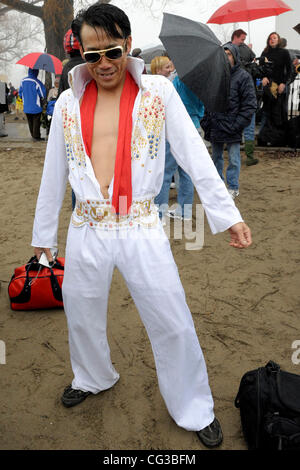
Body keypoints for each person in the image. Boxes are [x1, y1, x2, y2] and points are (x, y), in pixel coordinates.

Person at [31, 3, 252, 448]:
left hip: (140, 223)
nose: (104, 64)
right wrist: (43, 238)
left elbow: (192, 153)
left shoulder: (158, 92)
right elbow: (53, 170)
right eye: (92, 55)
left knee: (170, 315)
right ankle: (93, 376)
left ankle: (193, 404)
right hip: (87, 224)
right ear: (81, 53)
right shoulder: (69, 102)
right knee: (81, 309)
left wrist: (227, 215)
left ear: (127, 44)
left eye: (111, 51)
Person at [201, 43, 257, 199]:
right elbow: (207, 100)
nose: (226, 57)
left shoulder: (243, 76)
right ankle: (218, 187)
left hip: (233, 126)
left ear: (235, 56)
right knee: (216, 158)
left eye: (229, 54)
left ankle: (233, 186)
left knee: (233, 159)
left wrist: (237, 124)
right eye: (223, 54)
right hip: (216, 125)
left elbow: (249, 104)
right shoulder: (215, 76)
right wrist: (206, 121)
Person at [155, 75, 205, 221]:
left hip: (176, 127)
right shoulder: (202, 82)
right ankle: (185, 212)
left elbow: (168, 102)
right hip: (194, 126)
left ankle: (159, 214)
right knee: (186, 171)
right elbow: (201, 106)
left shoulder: (177, 80)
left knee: (165, 172)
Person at [228, 29, 258, 166]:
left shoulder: (241, 49)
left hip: (242, 95)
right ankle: (249, 155)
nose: (243, 42)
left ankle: (249, 155)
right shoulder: (233, 49)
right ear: (235, 37)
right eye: (242, 39)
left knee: (247, 125)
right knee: (247, 125)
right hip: (239, 95)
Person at [258, 32, 292, 144]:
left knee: (279, 113)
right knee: (266, 112)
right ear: (268, 40)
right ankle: (263, 138)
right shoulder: (265, 52)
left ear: (278, 40)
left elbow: (290, 71)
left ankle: (280, 139)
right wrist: (263, 77)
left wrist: (284, 83)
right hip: (268, 87)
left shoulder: (284, 52)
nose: (272, 40)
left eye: (275, 38)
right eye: (270, 38)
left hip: (280, 87)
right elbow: (260, 69)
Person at [19, 68, 46, 141]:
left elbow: (20, 93)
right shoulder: (37, 82)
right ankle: (36, 136)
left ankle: (33, 135)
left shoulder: (23, 81)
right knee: (36, 121)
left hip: (26, 105)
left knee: (30, 121)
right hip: (35, 105)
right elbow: (42, 94)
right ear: (36, 72)